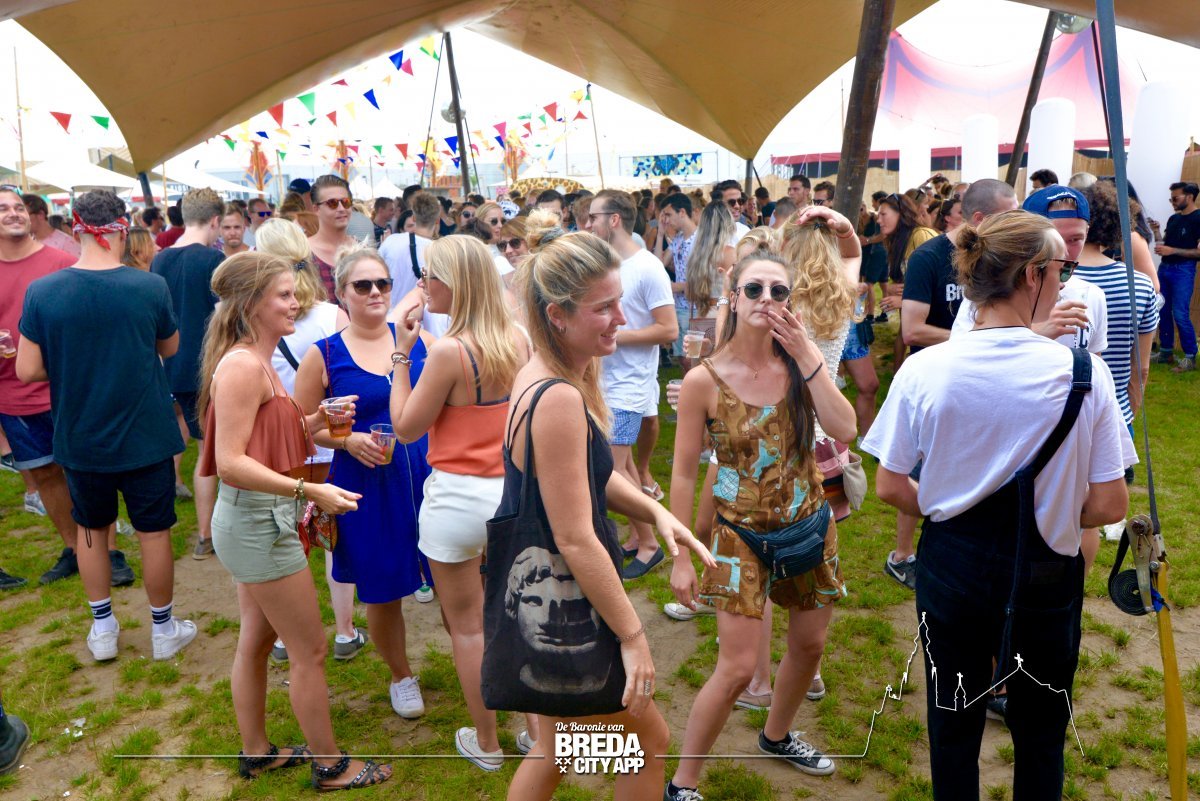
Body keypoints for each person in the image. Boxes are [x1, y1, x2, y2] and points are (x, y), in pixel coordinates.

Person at [863, 210, 1132, 800]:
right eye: (1061, 270)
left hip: (951, 567)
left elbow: (890, 485)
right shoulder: (1085, 373)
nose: (1065, 282)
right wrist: (1054, 509)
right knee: (1042, 731)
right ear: (1033, 275)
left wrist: (946, 505)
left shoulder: (925, 370)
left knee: (953, 724)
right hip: (1047, 571)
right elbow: (1110, 502)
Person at [493, 230, 710, 801]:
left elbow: (583, 474)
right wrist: (633, 636)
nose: (622, 318)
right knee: (646, 743)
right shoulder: (559, 397)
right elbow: (575, 536)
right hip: (567, 607)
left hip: (553, 592)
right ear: (557, 315)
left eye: (620, 301)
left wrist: (654, 511)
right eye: (604, 307)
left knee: (558, 748)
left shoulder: (545, 371)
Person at [666, 249, 857, 800]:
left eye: (778, 290)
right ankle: (682, 784)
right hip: (739, 536)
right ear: (734, 297)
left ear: (790, 301)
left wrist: (808, 358)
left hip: (808, 526)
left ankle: (776, 736)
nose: (766, 299)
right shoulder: (704, 380)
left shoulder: (801, 364)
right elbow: (683, 473)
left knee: (810, 646)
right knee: (736, 669)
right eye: (754, 289)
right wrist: (682, 554)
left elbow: (845, 427)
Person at [197, 250, 390, 790]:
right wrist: (311, 489)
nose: (295, 303)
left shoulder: (256, 359)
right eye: (283, 295)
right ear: (251, 303)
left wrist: (313, 420)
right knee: (310, 651)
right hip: (259, 526)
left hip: (257, 521)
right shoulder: (242, 366)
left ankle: (257, 752)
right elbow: (231, 463)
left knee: (257, 642)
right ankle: (330, 766)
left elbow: (264, 436)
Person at [17, 190, 196, 661]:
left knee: (91, 532)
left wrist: (72, 362)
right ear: (121, 228)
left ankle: (102, 630)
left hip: (82, 435)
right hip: (145, 433)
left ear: (75, 229)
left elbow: (27, 369)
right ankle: (163, 629)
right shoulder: (148, 287)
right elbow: (170, 347)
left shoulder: (43, 291)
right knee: (154, 533)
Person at [387, 235, 534, 769]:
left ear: (457, 283)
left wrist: (401, 357)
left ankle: (488, 743)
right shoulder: (518, 339)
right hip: (509, 492)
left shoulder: (449, 350)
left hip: (455, 498)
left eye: (430, 275)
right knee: (516, 617)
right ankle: (534, 733)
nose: (422, 284)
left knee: (469, 628)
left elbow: (406, 428)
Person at [294, 246, 432, 721]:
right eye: (363, 285)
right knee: (382, 584)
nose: (375, 292)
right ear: (341, 293)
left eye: (383, 284)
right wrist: (347, 440)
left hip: (425, 473)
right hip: (365, 484)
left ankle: (473, 655)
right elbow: (302, 427)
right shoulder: (324, 354)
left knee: (451, 575)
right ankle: (401, 675)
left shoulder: (416, 339)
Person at [253, 219, 364, 664]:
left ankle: (285, 635)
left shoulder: (258, 317)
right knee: (335, 538)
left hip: (281, 446)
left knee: (286, 539)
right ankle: (344, 631)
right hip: (331, 442)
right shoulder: (331, 315)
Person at [587, 190, 678, 579]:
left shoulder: (648, 267)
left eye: (593, 217)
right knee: (620, 466)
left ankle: (650, 544)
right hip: (604, 383)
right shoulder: (606, 265)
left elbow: (669, 330)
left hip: (629, 385)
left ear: (614, 220)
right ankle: (637, 536)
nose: (587, 224)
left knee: (612, 468)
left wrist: (613, 336)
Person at [0, 187, 83, 586]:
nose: (13, 213)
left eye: (18, 207)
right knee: (46, 474)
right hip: (13, 392)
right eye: (3, 208)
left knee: (84, 471)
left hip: (68, 388)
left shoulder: (63, 263)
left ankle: (107, 551)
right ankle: (75, 549)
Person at [151, 187, 224, 559]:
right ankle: (210, 534)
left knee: (204, 449)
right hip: (210, 366)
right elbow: (226, 316)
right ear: (214, 220)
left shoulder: (160, 260)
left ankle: (207, 534)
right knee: (215, 452)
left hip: (173, 368)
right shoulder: (213, 259)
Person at [877, 193, 938, 371]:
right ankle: (897, 378)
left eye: (883, 214)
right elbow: (903, 276)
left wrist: (904, 300)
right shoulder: (897, 240)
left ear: (901, 214)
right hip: (919, 318)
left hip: (934, 320)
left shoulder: (922, 235)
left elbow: (940, 281)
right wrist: (893, 288)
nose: (879, 220)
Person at [682, 200, 736, 372]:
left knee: (700, 371)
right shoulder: (730, 253)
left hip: (700, 316)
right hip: (723, 315)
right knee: (723, 370)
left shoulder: (695, 256)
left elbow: (689, 294)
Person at [1153, 181, 1200, 372]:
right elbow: (1164, 246)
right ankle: (1166, 352)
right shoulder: (1173, 219)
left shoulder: (1198, 218)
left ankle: (1190, 357)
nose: (1172, 202)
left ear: (1189, 197)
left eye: (1175, 198)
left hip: (1184, 270)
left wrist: (1172, 250)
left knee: (1180, 313)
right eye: (1170, 199)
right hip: (1165, 268)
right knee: (1162, 310)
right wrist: (1156, 231)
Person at [306, 175, 357, 300]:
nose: (341, 208)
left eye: (345, 202)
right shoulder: (303, 253)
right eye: (332, 203)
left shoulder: (362, 249)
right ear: (316, 209)